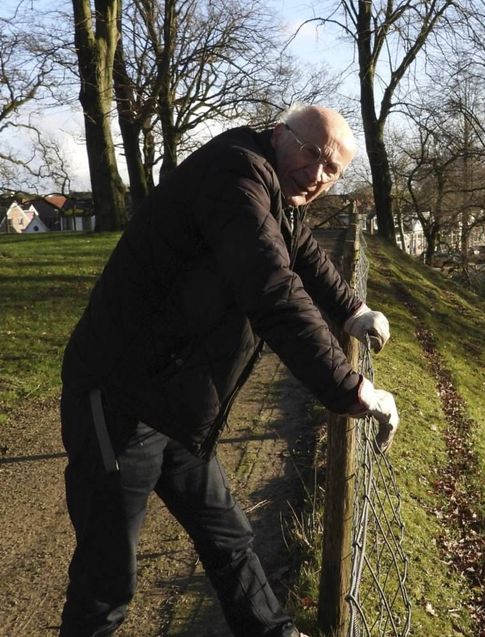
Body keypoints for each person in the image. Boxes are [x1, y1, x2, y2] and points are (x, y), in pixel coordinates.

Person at [58, 104, 399, 637]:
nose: (316, 175)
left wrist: (352, 311)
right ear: (279, 134)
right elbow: (273, 289)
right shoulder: (236, 175)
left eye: (332, 170)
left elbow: (300, 250)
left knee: (228, 536)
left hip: (173, 396)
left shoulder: (269, 186)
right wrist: (351, 388)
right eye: (312, 154)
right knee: (108, 578)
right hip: (118, 395)